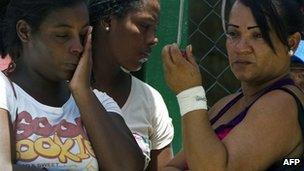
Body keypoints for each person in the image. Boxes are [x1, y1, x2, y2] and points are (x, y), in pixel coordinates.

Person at [0, 0, 145, 170]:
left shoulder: (97, 101)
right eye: (63, 35)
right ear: (25, 31)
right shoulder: (5, 90)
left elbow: (128, 168)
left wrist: (82, 91)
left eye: (83, 35)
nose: (77, 47)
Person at [161, 0, 304, 170]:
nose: (240, 48)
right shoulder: (226, 104)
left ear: (292, 43)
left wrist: (190, 94)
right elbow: (172, 167)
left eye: (258, 35)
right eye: (233, 33)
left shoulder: (282, 105)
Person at [89, 0, 174, 170]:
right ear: (108, 21)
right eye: (144, 26)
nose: (153, 39)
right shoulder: (57, 91)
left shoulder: (150, 100)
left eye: (154, 30)